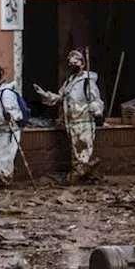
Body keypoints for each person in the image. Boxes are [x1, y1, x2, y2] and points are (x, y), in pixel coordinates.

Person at [35, 49, 104, 183]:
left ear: (82, 64)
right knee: (76, 153)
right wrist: (45, 94)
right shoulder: (69, 81)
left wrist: (95, 110)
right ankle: (89, 176)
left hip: (84, 122)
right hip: (72, 122)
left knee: (83, 152)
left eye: (75, 62)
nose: (72, 65)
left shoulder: (87, 82)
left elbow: (97, 101)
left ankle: (81, 177)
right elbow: (60, 97)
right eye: (70, 63)